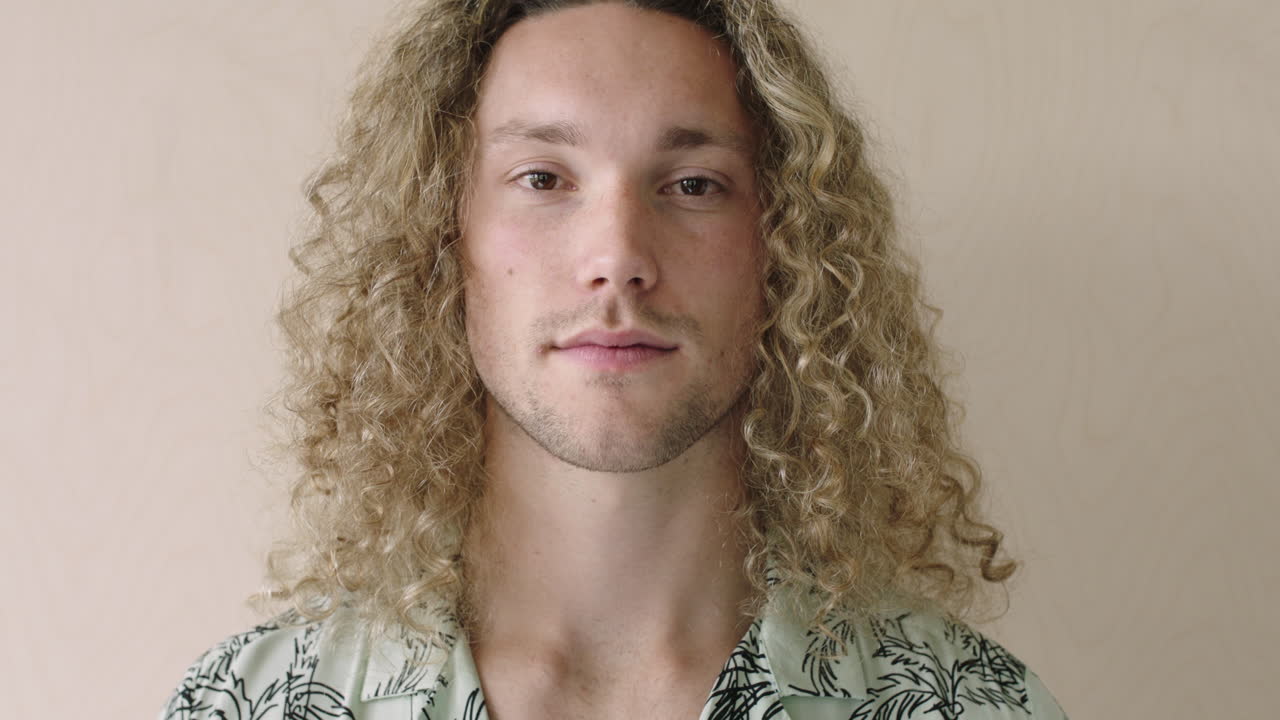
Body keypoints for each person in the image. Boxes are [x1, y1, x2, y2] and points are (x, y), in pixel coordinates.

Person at [159, 1, 1068, 718]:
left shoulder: (970, 708)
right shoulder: (252, 705)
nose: (619, 254)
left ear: (784, 246)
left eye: (693, 185)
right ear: (442, 235)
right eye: (543, 178)